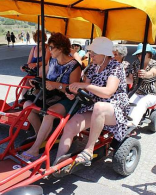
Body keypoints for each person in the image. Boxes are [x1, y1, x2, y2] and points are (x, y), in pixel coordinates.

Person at [55, 37, 129, 167]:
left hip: (114, 109)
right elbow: (84, 87)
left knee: (99, 107)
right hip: (94, 106)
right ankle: (58, 161)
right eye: (91, 52)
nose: (91, 54)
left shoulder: (116, 67)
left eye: (94, 52)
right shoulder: (92, 67)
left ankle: (88, 150)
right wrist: (73, 92)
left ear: (105, 54)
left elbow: (108, 92)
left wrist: (85, 86)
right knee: (71, 124)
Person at [19, 32, 82, 162]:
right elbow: (43, 74)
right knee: (27, 105)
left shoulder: (74, 66)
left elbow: (73, 89)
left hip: (66, 98)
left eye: (51, 47)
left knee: (50, 113)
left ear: (60, 48)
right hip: (50, 95)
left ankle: (35, 149)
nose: (49, 49)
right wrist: (36, 80)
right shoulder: (52, 61)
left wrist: (56, 85)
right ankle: (40, 136)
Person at [128, 43, 156, 127]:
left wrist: (146, 74)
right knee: (127, 102)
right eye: (138, 54)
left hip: (151, 94)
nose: (139, 56)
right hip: (137, 92)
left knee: (142, 103)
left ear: (149, 53)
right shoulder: (135, 64)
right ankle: (121, 122)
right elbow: (130, 79)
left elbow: (153, 72)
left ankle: (132, 125)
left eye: (142, 54)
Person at [20, 30, 51, 97]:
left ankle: (34, 99)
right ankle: (23, 100)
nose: (40, 42)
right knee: (24, 87)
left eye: (41, 40)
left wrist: (36, 64)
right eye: (38, 41)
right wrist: (24, 66)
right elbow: (28, 62)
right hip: (33, 71)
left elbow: (46, 61)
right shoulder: (33, 48)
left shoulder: (47, 48)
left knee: (36, 87)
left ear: (45, 39)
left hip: (43, 72)